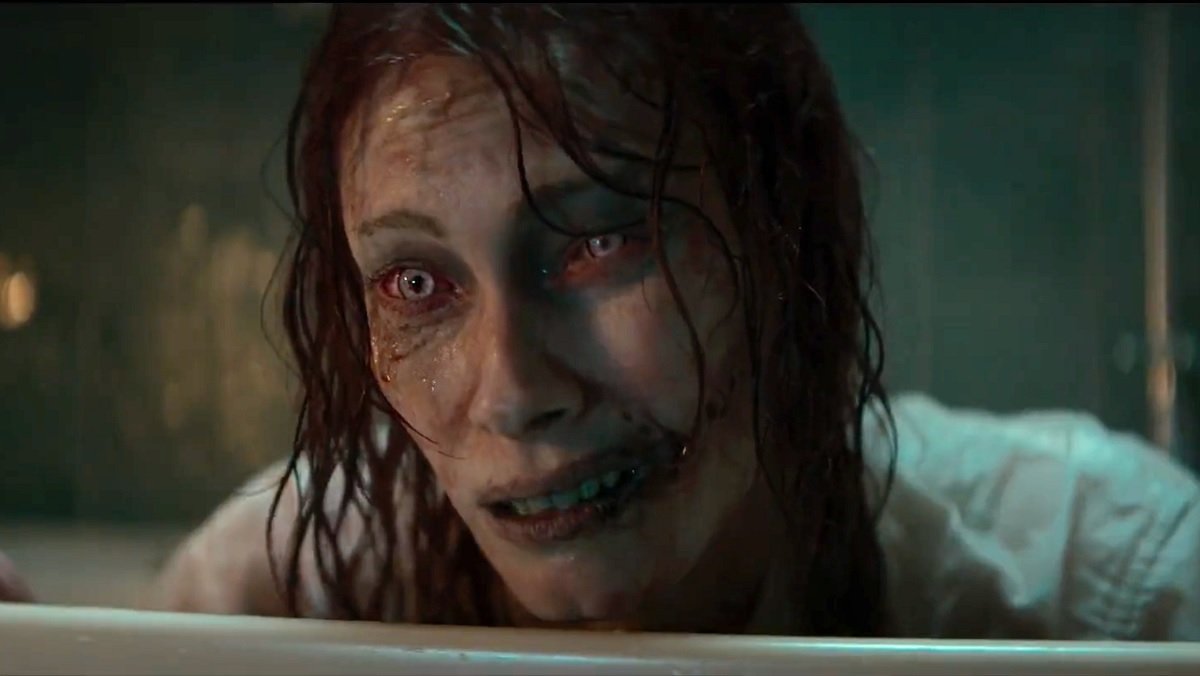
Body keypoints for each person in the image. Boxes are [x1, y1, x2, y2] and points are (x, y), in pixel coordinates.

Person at [2, 4, 1198, 640]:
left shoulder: (1108, 580)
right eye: (416, 284)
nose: (515, 390)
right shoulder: (284, 589)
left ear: (785, 235)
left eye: (598, 240)